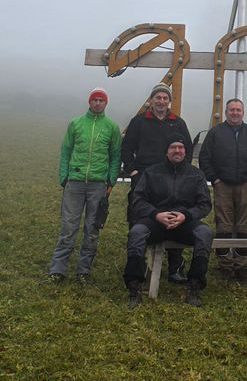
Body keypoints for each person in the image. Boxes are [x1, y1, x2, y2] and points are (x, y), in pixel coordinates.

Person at [122, 139, 213, 308]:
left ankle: (194, 286)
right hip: (156, 221)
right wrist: (156, 214)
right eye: (173, 147)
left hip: (185, 222)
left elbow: (205, 204)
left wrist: (186, 215)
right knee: (137, 233)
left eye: (181, 147)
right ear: (166, 151)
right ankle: (134, 287)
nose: (177, 151)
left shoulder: (196, 174)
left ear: (186, 151)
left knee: (205, 233)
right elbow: (138, 200)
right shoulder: (151, 172)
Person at [120, 83, 193, 283]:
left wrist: (182, 171)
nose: (161, 101)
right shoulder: (139, 122)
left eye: (165, 98)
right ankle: (138, 264)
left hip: (171, 179)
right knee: (137, 217)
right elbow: (126, 148)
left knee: (173, 216)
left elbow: (188, 148)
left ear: (169, 101)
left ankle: (175, 267)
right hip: (144, 178)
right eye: (158, 97)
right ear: (151, 100)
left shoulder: (178, 123)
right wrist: (133, 170)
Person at [47, 88, 121, 283]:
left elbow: (115, 155)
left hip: (98, 185)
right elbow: (66, 150)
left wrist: (111, 180)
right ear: (89, 102)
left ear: (106, 103)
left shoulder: (112, 127)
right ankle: (57, 270)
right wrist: (64, 177)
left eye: (101, 100)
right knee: (68, 226)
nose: (97, 103)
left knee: (92, 228)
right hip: (75, 183)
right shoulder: (76, 124)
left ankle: (83, 271)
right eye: (94, 100)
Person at [198, 98, 247, 281]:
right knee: (224, 224)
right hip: (223, 185)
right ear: (226, 112)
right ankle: (225, 264)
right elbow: (205, 157)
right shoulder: (215, 133)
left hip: (246, 184)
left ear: (243, 113)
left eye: (238, 110)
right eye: (231, 110)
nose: (235, 113)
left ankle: (241, 264)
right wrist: (215, 179)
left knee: (244, 224)